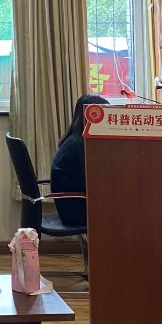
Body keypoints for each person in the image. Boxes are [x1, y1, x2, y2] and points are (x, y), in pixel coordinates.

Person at [50, 94, 109, 227]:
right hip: (76, 211)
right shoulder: (78, 146)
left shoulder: (74, 140)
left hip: (71, 207)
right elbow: (90, 184)